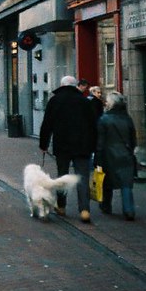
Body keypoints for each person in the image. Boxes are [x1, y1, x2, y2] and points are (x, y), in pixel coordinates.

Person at [39, 75, 98, 223]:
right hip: (82, 145)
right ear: (75, 85)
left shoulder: (55, 101)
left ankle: (61, 206)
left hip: (62, 145)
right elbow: (93, 125)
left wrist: (44, 144)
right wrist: (94, 145)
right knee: (82, 177)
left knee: (62, 176)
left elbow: (47, 124)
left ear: (62, 85)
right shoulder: (84, 101)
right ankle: (84, 210)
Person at [95, 91, 138, 220]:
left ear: (112, 104)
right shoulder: (127, 118)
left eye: (107, 101)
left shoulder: (103, 119)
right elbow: (133, 139)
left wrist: (98, 159)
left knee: (107, 182)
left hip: (108, 155)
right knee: (126, 184)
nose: (105, 103)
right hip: (125, 155)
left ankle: (106, 206)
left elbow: (100, 142)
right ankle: (129, 210)